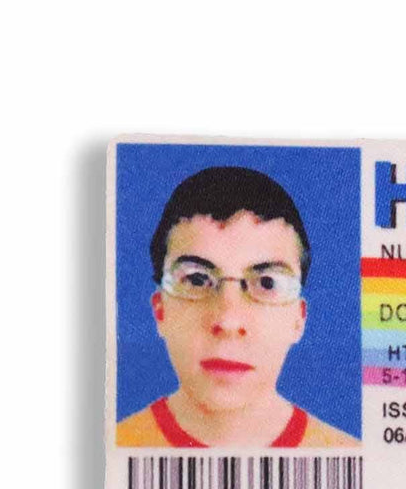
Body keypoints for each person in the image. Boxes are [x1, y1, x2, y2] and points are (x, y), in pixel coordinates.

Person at [117, 166, 357, 447]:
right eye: (196, 279)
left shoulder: (348, 455)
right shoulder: (119, 449)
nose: (228, 321)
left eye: (266, 283)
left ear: (298, 319)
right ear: (160, 310)